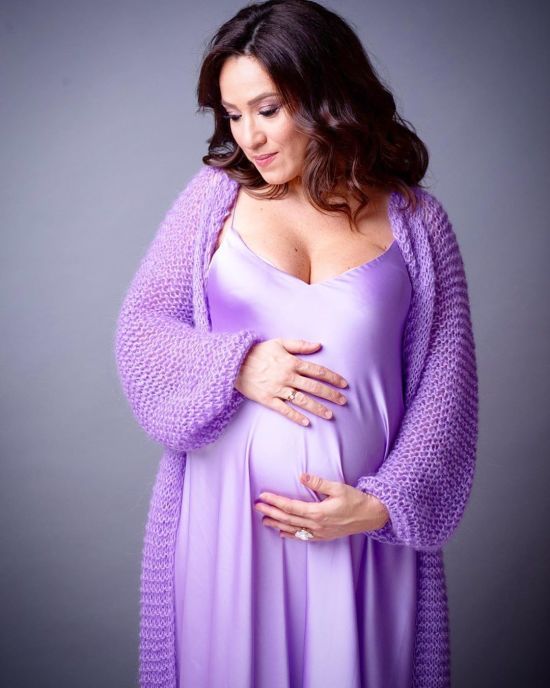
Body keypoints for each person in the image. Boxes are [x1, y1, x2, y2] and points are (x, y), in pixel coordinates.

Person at [114, 1, 479, 687]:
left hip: (361, 539)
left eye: (268, 109)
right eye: (232, 114)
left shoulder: (418, 222)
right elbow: (141, 335)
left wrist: (382, 507)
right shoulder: (214, 200)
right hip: (227, 531)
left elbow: (447, 392)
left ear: (326, 95)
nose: (248, 135)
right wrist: (237, 365)